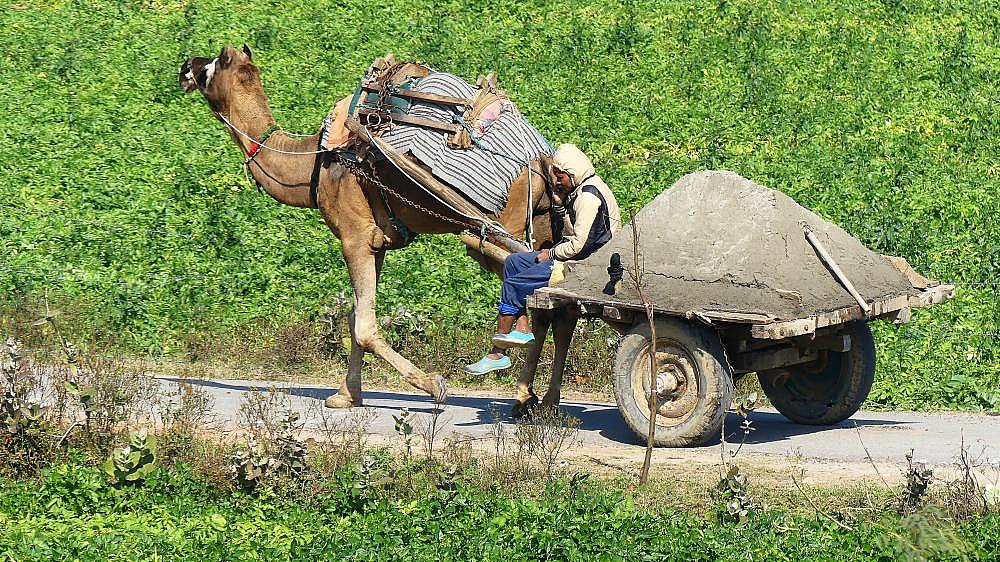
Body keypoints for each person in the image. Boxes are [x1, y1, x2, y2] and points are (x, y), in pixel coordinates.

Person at [465, 143, 621, 374]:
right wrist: (558, 205)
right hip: (576, 259)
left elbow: (579, 244)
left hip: (583, 267)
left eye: (560, 177)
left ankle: (497, 353)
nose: (557, 182)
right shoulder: (580, 191)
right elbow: (567, 234)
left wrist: (552, 253)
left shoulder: (588, 197)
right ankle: (522, 327)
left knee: (512, 284)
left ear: (572, 174)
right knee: (513, 262)